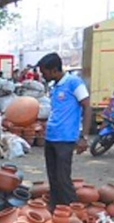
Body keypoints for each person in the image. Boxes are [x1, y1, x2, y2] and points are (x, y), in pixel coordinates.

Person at [37, 52, 92, 209]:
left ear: (54, 70)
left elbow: (87, 107)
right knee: (53, 178)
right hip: (51, 137)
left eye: (44, 72)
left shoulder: (74, 83)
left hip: (65, 139)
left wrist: (84, 137)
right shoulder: (54, 86)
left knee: (63, 179)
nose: (43, 75)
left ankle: (73, 212)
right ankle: (56, 210)